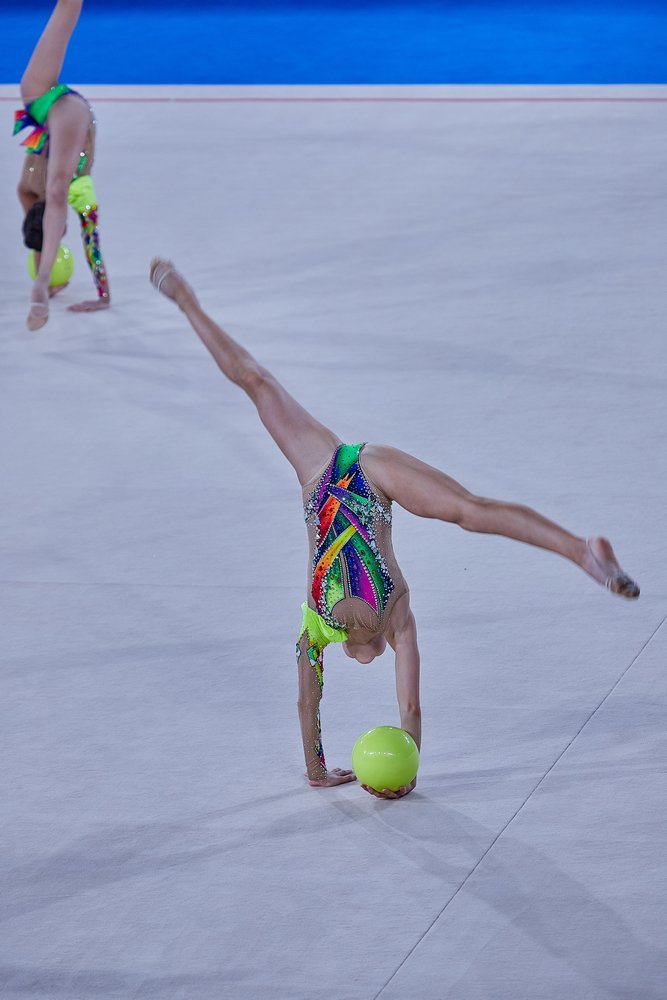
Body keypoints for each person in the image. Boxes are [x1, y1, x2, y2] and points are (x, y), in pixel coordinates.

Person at [149, 258, 640, 800]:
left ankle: (582, 551)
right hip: (342, 471)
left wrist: (386, 773)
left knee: (466, 509)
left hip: (339, 473)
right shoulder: (330, 625)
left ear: (366, 646)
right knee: (464, 507)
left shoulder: (378, 621)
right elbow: (325, 704)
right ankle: (580, 550)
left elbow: (402, 710)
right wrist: (319, 767)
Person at [14, 0, 110, 330]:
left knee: (66, 7)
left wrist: (43, 253)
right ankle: (41, 284)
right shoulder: (80, 192)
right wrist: (103, 295)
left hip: (40, 102)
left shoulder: (30, 185)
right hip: (69, 116)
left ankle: (42, 282)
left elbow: (31, 199)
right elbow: (92, 245)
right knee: (57, 191)